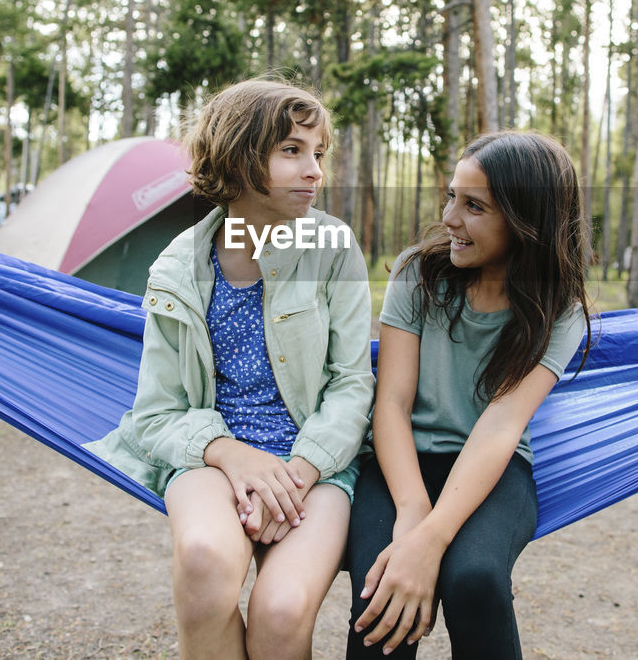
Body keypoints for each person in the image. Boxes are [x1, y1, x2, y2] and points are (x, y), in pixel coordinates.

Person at [85, 79, 373, 660]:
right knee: (204, 561)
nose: (314, 170)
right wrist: (231, 455)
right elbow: (156, 413)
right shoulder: (176, 267)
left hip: (313, 462)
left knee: (282, 610)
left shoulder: (333, 246)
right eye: (292, 150)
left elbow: (352, 382)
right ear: (240, 157)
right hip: (212, 456)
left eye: (318, 153)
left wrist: (296, 474)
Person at [345, 130, 593, 660]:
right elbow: (391, 403)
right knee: (380, 584)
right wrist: (412, 513)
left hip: (494, 471)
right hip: (396, 464)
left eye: (474, 205)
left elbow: (501, 425)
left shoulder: (558, 311)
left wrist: (433, 539)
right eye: (451, 196)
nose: (451, 217)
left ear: (529, 222)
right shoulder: (418, 273)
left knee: (474, 580)